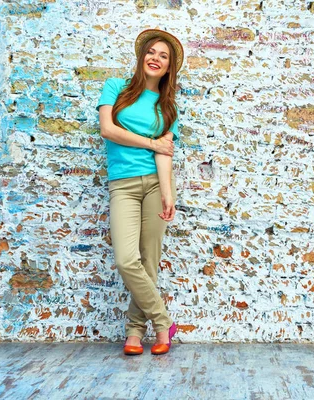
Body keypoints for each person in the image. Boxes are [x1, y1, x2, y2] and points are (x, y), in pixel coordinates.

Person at [96, 29, 184, 356]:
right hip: (124, 184)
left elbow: (165, 152)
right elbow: (108, 130)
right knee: (126, 259)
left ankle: (134, 332)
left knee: (149, 262)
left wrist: (167, 193)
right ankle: (163, 323)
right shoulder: (115, 87)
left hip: (154, 184)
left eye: (163, 56)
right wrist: (150, 142)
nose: (156, 58)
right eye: (152, 52)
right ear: (141, 56)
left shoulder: (168, 107)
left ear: (169, 66)